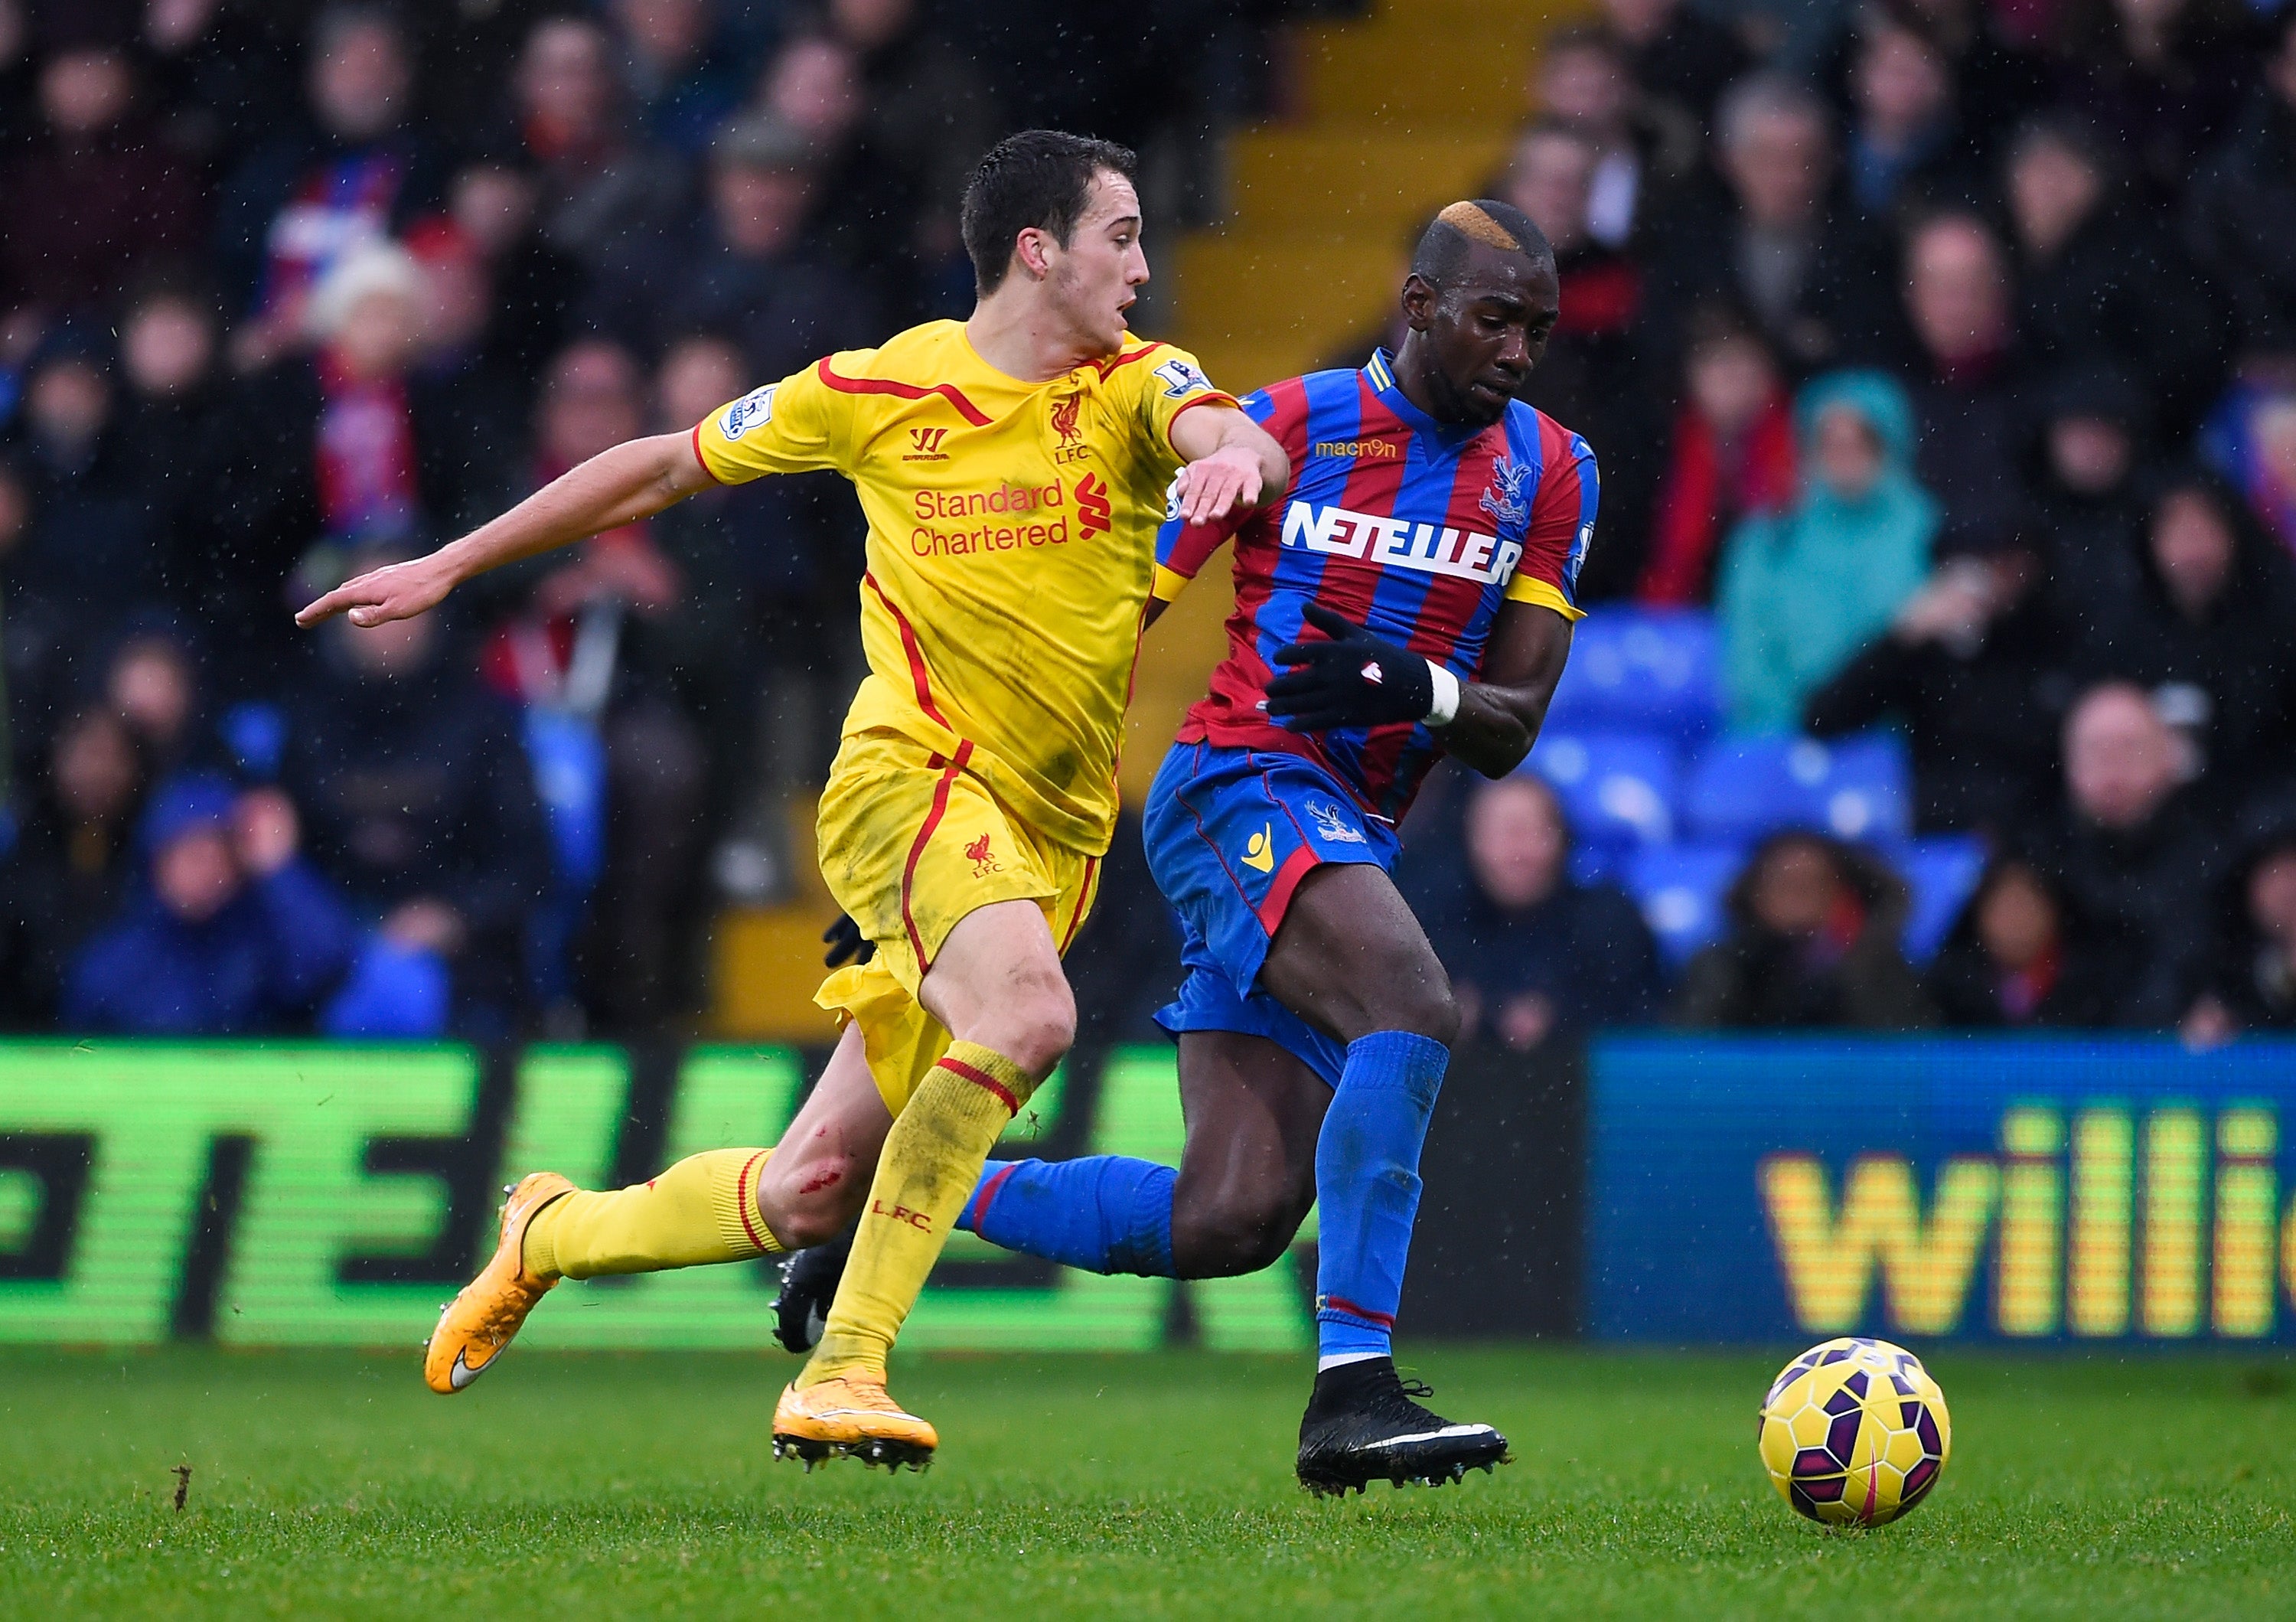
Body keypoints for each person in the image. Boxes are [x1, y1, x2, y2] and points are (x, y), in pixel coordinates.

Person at [296, 130, 1284, 1470]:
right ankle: (847, 1364)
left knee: (812, 1182)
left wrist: (1235, 457)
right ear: (1038, 248)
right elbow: (657, 465)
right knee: (1031, 1010)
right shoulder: (878, 387)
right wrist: (454, 561)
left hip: (1050, 839)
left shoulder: (1134, 384)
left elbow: (1216, 423)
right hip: (909, 782)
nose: (1145, 265)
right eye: (1121, 236)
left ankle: (550, 1228)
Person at [796, 200, 1593, 1494]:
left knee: (1229, 1214)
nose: (1517, 351)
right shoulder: (1280, 425)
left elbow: (1511, 723)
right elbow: (1094, 627)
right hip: (1235, 782)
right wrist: (928, 850)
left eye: (1539, 330)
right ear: (1419, 306)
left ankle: (901, 1202)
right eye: (1494, 319)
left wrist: (1415, 686)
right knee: (1412, 999)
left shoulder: (1554, 471)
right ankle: (1356, 1390)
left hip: (1352, 831)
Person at [1717, 369, 1939, 733]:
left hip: (1901, 745)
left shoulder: (1930, 531)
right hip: (1783, 738)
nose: (1845, 455)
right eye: (1830, 442)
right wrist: (1798, 733)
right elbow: (1748, 663)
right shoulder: (1770, 539)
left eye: (1863, 441)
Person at [63, 773, 362, 1035]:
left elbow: (330, 964)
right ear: (158, 861)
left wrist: (278, 867)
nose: (207, 870)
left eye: (220, 855)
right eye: (192, 854)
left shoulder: (261, 943)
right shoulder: (113, 963)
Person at [2014, 681, 2225, 1024]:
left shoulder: (2217, 866)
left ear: (2170, 757)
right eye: (2097, 751)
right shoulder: (2030, 866)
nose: (2113, 770)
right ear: (2069, 764)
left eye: (2130, 749)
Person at [1437, 774, 1662, 1048]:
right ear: (1470, 841)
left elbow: (1644, 1025)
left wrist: (1562, 1023)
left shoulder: (1610, 924)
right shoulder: (1436, 927)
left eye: (1533, 831)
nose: (1518, 853)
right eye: (1503, 833)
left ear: (1563, 839)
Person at [1674, 831, 1936, 1028]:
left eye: (1812, 885)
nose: (1798, 899)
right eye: (1785, 885)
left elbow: (1905, 1056)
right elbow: (1690, 1052)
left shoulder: (1880, 969)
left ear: (1842, 895)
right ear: (1754, 895)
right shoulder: (1720, 968)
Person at [1927, 855, 2127, 1025]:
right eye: (2004, 910)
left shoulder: (2095, 985)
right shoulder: (1949, 989)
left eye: (2025, 906)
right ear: (1980, 917)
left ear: (2053, 911)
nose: (2016, 921)